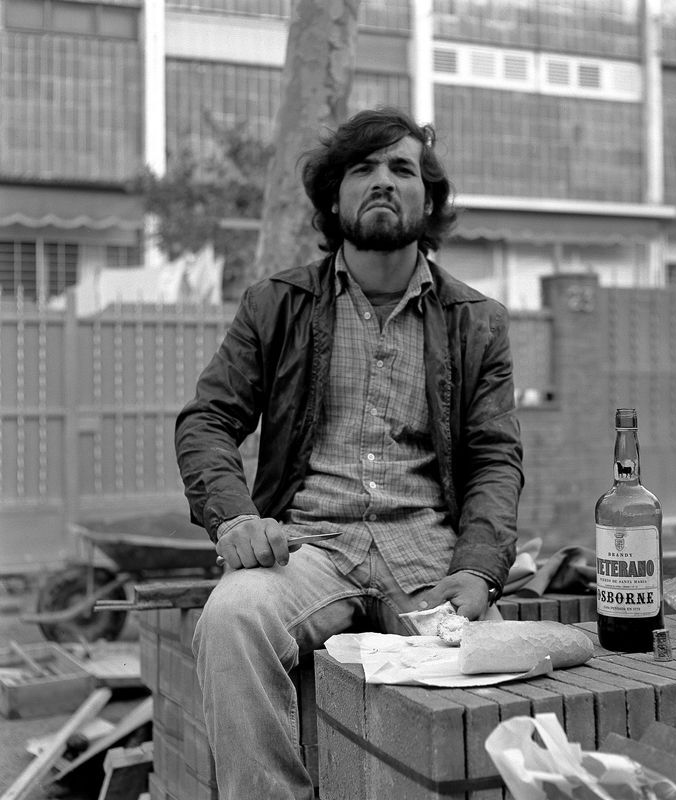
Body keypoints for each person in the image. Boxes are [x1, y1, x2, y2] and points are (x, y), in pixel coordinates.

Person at [174, 107, 524, 800]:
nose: (383, 181)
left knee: (493, 677)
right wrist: (233, 517)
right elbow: (207, 420)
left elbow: (494, 457)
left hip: (428, 559)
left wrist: (479, 569)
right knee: (232, 617)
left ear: (429, 198)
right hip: (306, 551)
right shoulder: (277, 305)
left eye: (402, 168)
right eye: (363, 168)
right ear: (334, 201)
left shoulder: (476, 321)